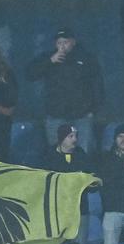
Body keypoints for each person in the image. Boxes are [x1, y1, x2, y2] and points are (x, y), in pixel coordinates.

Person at [26, 27, 103, 155]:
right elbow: (30, 74)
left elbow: (97, 85)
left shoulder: (86, 59)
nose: (62, 46)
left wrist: (93, 110)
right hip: (56, 116)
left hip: (81, 116)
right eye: (59, 43)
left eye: (65, 42)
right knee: (57, 154)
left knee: (83, 152)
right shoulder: (48, 57)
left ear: (73, 42)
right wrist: (50, 61)